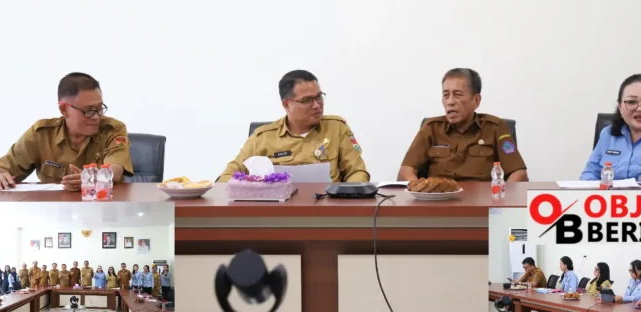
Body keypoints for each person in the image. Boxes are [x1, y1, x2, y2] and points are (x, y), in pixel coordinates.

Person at [0, 73, 134, 191]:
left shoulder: (113, 130)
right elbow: (1, 169)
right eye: (88, 110)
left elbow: (115, 170)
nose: (96, 116)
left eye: (99, 108)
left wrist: (92, 178)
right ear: (64, 110)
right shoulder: (42, 134)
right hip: (53, 211)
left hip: (102, 207)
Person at [218, 70, 370, 183]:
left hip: (328, 209)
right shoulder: (263, 137)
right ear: (286, 105)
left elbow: (357, 172)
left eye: (319, 97)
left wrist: (346, 197)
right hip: (279, 211)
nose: (317, 105)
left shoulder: (337, 128)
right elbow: (227, 177)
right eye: (307, 100)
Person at [398, 68, 528, 182]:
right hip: (439, 199)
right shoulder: (431, 128)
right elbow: (405, 172)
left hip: (482, 200)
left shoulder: (495, 127)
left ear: (476, 101)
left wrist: (500, 197)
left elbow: (519, 174)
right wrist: (422, 191)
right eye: (446, 95)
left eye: (457, 95)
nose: (450, 102)